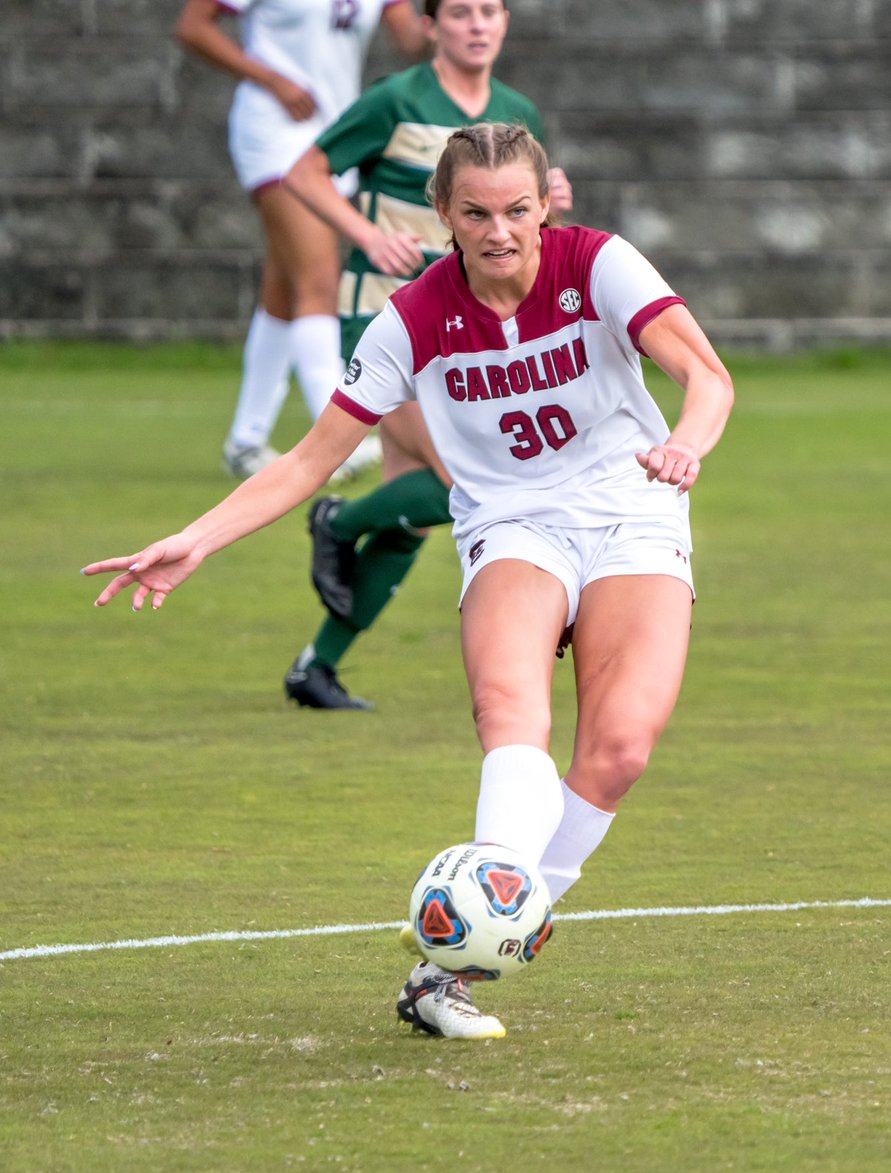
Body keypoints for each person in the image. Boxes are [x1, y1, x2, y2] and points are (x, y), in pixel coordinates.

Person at [83, 124, 734, 1040]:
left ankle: (446, 962)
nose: (498, 231)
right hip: (513, 523)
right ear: (442, 215)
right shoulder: (415, 317)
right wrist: (195, 539)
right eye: (475, 213)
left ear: (544, 205)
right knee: (509, 712)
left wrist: (684, 444)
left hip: (634, 508)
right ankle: (456, 971)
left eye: (516, 210)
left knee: (619, 750)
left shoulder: (598, 265)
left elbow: (705, 376)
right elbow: (310, 458)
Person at [276, 0, 574, 709]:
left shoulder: (516, 112)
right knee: (461, 484)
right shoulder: (396, 99)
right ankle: (337, 522)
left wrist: (554, 202)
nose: (477, 25)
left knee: (412, 517)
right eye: (460, 13)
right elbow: (305, 172)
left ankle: (316, 667)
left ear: (505, 23)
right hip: (383, 317)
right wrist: (366, 234)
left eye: (489, 11)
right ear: (430, 26)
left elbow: (523, 221)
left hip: (460, 326)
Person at [175, 0, 429, 479]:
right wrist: (272, 79)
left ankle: (245, 440)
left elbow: (413, 39)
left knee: (285, 292)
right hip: (275, 131)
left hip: (332, 136)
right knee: (319, 284)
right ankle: (337, 443)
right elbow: (193, 26)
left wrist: (452, 20)